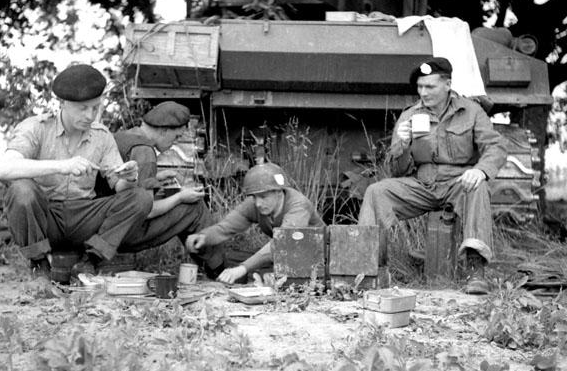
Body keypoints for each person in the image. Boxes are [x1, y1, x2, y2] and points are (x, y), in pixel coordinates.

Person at [358, 57, 507, 294]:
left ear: (447, 84)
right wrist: (402, 145)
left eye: (430, 86)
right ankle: (366, 269)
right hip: (422, 185)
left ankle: (475, 272)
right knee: (377, 192)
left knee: (476, 186)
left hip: (458, 183)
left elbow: (495, 147)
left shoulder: (471, 111)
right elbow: (397, 170)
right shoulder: (410, 115)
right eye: (420, 87)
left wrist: (480, 170)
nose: (423, 92)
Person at [0, 64, 153, 278]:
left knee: (140, 197)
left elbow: (121, 188)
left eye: (95, 108)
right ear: (63, 104)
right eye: (83, 108)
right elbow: (4, 168)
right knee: (21, 190)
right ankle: (39, 263)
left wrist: (130, 177)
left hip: (85, 217)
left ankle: (91, 260)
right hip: (45, 218)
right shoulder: (36, 127)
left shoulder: (102, 136)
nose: (90, 116)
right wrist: (63, 165)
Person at [111, 101, 225, 279]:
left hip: (105, 226)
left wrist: (156, 179)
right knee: (194, 208)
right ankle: (220, 270)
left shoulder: (123, 137)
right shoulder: (145, 153)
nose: (174, 144)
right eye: (176, 137)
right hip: (122, 233)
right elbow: (146, 212)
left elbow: (124, 188)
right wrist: (180, 197)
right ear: (163, 130)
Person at [186, 162, 324, 284]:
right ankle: (260, 276)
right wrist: (204, 237)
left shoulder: (298, 206)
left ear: (278, 192)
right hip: (284, 255)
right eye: (254, 197)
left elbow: (281, 244)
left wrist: (243, 268)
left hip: (314, 257)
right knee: (228, 256)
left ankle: (264, 277)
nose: (258, 203)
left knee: (251, 267)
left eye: (263, 197)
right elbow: (227, 227)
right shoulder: (258, 204)